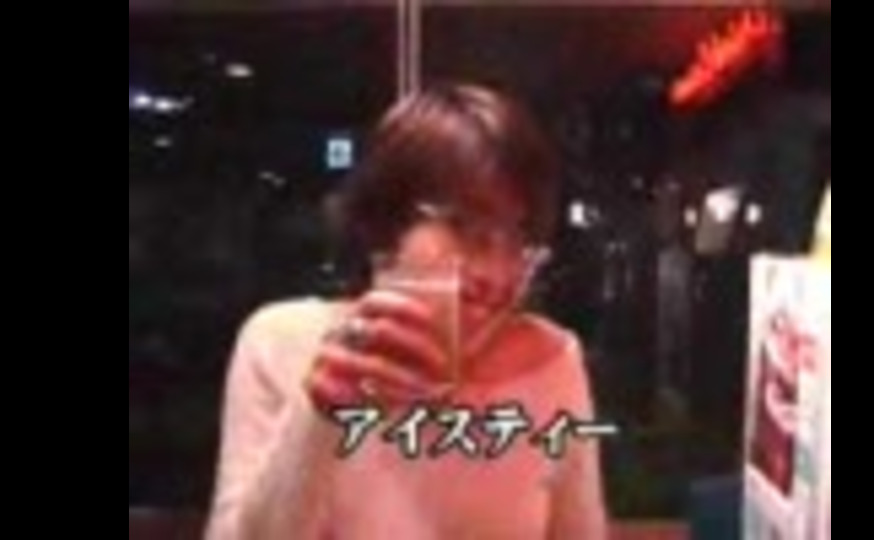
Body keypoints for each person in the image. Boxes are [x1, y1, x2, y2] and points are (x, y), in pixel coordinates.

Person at [204, 83, 608, 540]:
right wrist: (318, 416)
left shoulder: (555, 360)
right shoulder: (279, 342)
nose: (495, 274)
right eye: (466, 230)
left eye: (518, 242)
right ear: (388, 225)